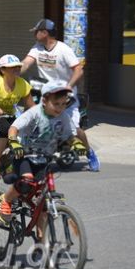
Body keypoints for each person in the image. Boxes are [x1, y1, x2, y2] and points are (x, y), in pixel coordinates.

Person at [0, 80, 87, 224]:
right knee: (27, 180)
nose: (60, 108)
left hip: (44, 158)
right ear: (44, 100)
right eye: (56, 104)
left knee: (43, 203)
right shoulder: (34, 113)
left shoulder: (64, 117)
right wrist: (14, 142)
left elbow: (69, 136)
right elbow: (13, 128)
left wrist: (77, 144)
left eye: (63, 104)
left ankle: (42, 243)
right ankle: (4, 199)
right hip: (24, 155)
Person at [21, 18, 100, 171]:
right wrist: (12, 72)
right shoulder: (37, 48)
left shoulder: (63, 49)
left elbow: (79, 70)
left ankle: (89, 152)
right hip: (46, 96)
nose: (35, 34)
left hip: (66, 97)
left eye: (37, 31)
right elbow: (26, 63)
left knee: (74, 129)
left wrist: (69, 87)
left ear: (45, 33)